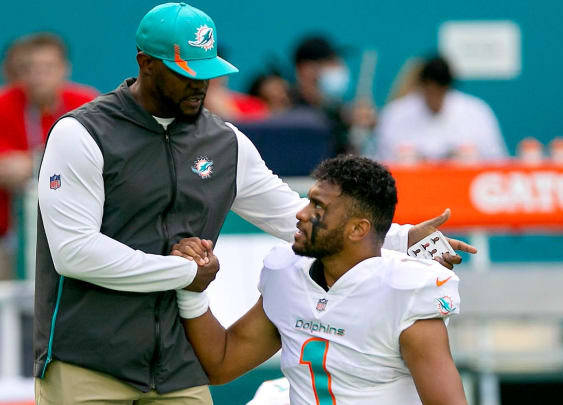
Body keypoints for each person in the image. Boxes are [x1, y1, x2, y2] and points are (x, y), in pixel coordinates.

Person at [34, 3, 474, 403]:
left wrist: (398, 238)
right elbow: (75, 253)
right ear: (145, 64)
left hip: (175, 365)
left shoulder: (224, 141)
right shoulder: (82, 133)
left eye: (207, 71)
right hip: (89, 360)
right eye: (186, 71)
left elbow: (291, 214)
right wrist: (187, 272)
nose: (200, 84)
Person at [173, 155, 468, 405]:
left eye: (318, 207)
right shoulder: (286, 273)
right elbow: (222, 364)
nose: (300, 214)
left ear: (357, 229)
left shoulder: (407, 292)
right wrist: (193, 291)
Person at [0, 33, 97, 280]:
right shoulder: (5, 103)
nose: (39, 76)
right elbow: (7, 171)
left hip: (75, 231)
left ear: (65, 69)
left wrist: (32, 163)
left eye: (48, 67)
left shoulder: (88, 103)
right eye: (31, 68)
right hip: (10, 235)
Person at [376, 56, 507, 164]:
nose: (434, 98)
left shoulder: (476, 111)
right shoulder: (396, 113)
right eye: (429, 91)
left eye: (439, 92)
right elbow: (381, 159)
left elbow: (497, 160)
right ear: (421, 87)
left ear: (448, 87)